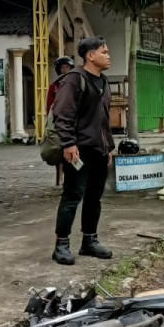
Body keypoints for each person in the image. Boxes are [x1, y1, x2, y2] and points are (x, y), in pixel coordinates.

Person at [51, 36, 115, 265]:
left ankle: (89, 241)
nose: (108, 56)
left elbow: (104, 120)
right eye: (104, 52)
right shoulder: (74, 80)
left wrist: (108, 147)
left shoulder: (104, 82)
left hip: (99, 150)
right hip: (78, 150)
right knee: (72, 196)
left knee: (94, 198)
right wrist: (69, 143)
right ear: (90, 55)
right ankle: (61, 245)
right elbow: (63, 114)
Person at [47, 56, 75, 188]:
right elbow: (49, 106)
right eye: (62, 68)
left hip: (73, 121)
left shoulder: (74, 84)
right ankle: (59, 179)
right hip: (58, 122)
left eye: (67, 67)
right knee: (59, 151)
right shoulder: (54, 87)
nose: (65, 70)